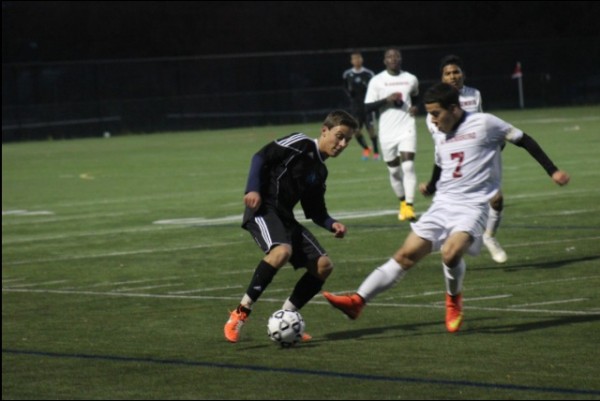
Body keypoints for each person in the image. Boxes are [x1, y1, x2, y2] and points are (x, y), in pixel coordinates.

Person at [323, 83, 570, 333]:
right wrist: (431, 185)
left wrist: (553, 171)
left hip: (473, 206)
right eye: (429, 113)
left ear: (453, 108)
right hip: (443, 203)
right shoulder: (439, 130)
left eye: (435, 113)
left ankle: (453, 299)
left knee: (450, 253)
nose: (431, 119)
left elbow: (524, 139)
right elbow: (442, 163)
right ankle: (357, 301)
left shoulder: (485, 123)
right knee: (405, 255)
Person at [224, 110, 358, 343]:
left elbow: (315, 211)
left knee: (323, 266)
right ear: (324, 131)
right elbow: (260, 157)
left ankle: (286, 318)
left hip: (284, 217)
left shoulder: (320, 171)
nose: (342, 143)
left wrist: (331, 223)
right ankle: (240, 313)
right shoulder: (300, 143)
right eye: (339, 136)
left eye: (347, 140)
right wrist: (252, 189)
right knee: (282, 251)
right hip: (263, 209)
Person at [432, 54, 507, 263]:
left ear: (463, 74)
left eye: (456, 72)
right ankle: (446, 243)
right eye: (448, 73)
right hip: (452, 161)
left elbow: (481, 121)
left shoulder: (474, 94)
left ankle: (489, 236)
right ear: (442, 78)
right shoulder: (438, 100)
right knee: (454, 208)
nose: (453, 76)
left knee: (497, 199)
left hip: (478, 158)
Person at [364, 47, 420, 221]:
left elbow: (416, 96)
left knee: (408, 166)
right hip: (387, 132)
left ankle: (410, 206)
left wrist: (415, 107)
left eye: (396, 56)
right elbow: (367, 107)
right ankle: (403, 203)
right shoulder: (377, 81)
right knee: (394, 171)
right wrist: (386, 100)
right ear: (385, 61)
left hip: (407, 127)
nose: (393, 59)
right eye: (389, 56)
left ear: (401, 59)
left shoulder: (411, 78)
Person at [342, 51, 379, 160]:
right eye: (354, 59)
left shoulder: (369, 74)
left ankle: (376, 152)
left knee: (371, 130)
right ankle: (366, 149)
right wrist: (349, 94)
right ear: (351, 61)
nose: (357, 61)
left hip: (367, 106)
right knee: (355, 130)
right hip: (355, 107)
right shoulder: (347, 74)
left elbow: (375, 88)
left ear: (362, 60)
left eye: (358, 58)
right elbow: (344, 87)